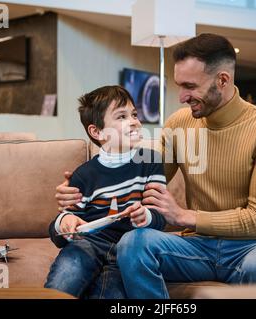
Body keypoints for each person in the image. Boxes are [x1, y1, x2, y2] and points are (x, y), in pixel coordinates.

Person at [56, 33, 256, 299]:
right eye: (179, 85)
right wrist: (81, 184)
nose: (181, 96)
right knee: (133, 244)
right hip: (193, 247)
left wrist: (182, 216)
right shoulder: (180, 122)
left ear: (222, 80)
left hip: (251, 248)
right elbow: (140, 170)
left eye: (190, 86)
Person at [45, 85, 167, 298]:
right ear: (97, 131)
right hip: (89, 244)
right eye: (121, 117)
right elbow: (60, 233)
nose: (134, 121)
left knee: (112, 293)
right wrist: (64, 222)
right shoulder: (84, 175)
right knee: (68, 268)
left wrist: (145, 215)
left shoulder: (151, 161)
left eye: (134, 114)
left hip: (129, 251)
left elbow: (161, 217)